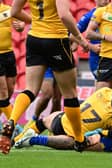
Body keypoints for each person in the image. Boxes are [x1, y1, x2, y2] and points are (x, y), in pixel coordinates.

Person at [0, 0, 90, 155]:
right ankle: (79, 139)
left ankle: (12, 121)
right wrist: (79, 38)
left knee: (31, 89)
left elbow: (14, 11)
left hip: (34, 39)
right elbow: (64, 16)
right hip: (56, 40)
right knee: (70, 94)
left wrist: (34, 21)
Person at [14, 87, 112, 151]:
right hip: (71, 133)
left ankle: (20, 134)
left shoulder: (106, 92)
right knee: (76, 142)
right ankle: (32, 139)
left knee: (46, 119)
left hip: (60, 119)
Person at [14, 112, 112, 153]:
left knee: (60, 120)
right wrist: (104, 132)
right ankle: (31, 138)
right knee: (79, 143)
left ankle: (25, 133)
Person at [0, 1, 28, 138]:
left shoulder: (8, 10)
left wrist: (21, 26)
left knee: (10, 89)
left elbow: (20, 24)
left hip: (8, 55)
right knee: (3, 91)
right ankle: (14, 127)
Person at [71, 0, 109, 80]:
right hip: (97, 58)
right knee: (103, 84)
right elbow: (72, 35)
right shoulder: (89, 16)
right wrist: (90, 46)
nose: (106, 0)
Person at [23, 68, 62, 132]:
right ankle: (34, 119)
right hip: (47, 67)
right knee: (47, 95)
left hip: (61, 66)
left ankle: (53, 126)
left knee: (57, 100)